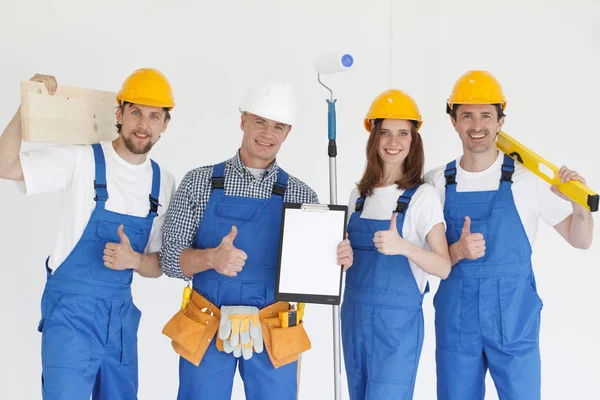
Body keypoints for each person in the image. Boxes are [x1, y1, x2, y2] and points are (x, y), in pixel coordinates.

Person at [160, 79, 353, 400]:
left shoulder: (301, 195)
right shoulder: (199, 183)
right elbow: (169, 260)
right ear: (243, 121)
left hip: (273, 327)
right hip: (207, 323)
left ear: (288, 132)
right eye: (260, 122)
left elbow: (313, 275)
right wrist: (210, 258)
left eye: (278, 126)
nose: (267, 133)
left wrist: (335, 260)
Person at [0, 69, 176, 399]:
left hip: (120, 321)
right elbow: (5, 164)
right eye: (136, 112)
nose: (143, 125)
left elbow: (157, 267)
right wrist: (28, 107)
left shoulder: (162, 182)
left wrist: (134, 259)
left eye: (154, 116)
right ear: (119, 113)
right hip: (72, 318)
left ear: (165, 124)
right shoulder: (81, 160)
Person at [425, 70, 594, 400]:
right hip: (458, 323)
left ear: (500, 121)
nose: (477, 126)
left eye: (486, 115)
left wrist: (580, 206)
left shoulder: (527, 180)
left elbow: (581, 239)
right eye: (467, 116)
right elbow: (422, 257)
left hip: (514, 319)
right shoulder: (437, 183)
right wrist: (456, 251)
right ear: (453, 121)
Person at [341, 89, 451, 399]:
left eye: (403, 133)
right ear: (374, 138)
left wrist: (404, 246)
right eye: (385, 133)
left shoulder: (422, 197)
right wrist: (343, 257)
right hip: (354, 319)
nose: (393, 141)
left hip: (397, 327)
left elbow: (443, 267)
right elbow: (345, 260)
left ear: (414, 140)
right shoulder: (358, 197)